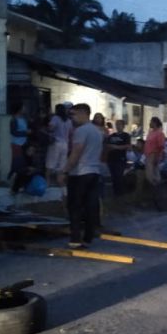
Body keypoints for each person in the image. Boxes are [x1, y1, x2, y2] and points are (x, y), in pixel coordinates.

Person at [58, 103, 104, 249]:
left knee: (75, 207)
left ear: (84, 113)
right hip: (94, 171)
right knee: (90, 206)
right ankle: (89, 236)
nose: (72, 118)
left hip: (80, 173)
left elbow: (76, 153)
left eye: (74, 114)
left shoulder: (81, 131)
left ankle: (75, 239)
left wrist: (64, 171)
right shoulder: (97, 131)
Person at [46, 104, 73, 182]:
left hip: (56, 143)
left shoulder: (55, 118)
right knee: (61, 164)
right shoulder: (68, 120)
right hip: (65, 144)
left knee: (50, 163)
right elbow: (70, 132)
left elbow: (51, 128)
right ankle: (60, 182)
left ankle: (48, 182)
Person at [106, 119, 132, 196]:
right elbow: (107, 145)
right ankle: (115, 194)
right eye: (117, 124)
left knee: (119, 177)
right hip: (111, 159)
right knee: (113, 177)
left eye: (119, 124)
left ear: (123, 126)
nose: (118, 126)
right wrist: (116, 147)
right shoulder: (112, 136)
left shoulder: (126, 136)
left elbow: (127, 146)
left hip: (120, 159)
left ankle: (120, 194)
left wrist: (115, 147)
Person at [9, 102, 31, 179]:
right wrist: (25, 132)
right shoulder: (14, 119)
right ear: (19, 109)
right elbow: (14, 132)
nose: (24, 109)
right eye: (23, 107)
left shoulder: (23, 119)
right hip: (16, 144)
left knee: (22, 163)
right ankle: (12, 178)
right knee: (17, 162)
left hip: (23, 143)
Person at [144, 117, 166, 185]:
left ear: (155, 123)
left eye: (151, 122)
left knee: (153, 174)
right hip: (148, 155)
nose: (149, 123)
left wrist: (157, 157)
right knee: (148, 174)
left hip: (154, 155)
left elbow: (160, 147)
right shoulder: (150, 132)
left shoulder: (159, 133)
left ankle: (156, 189)